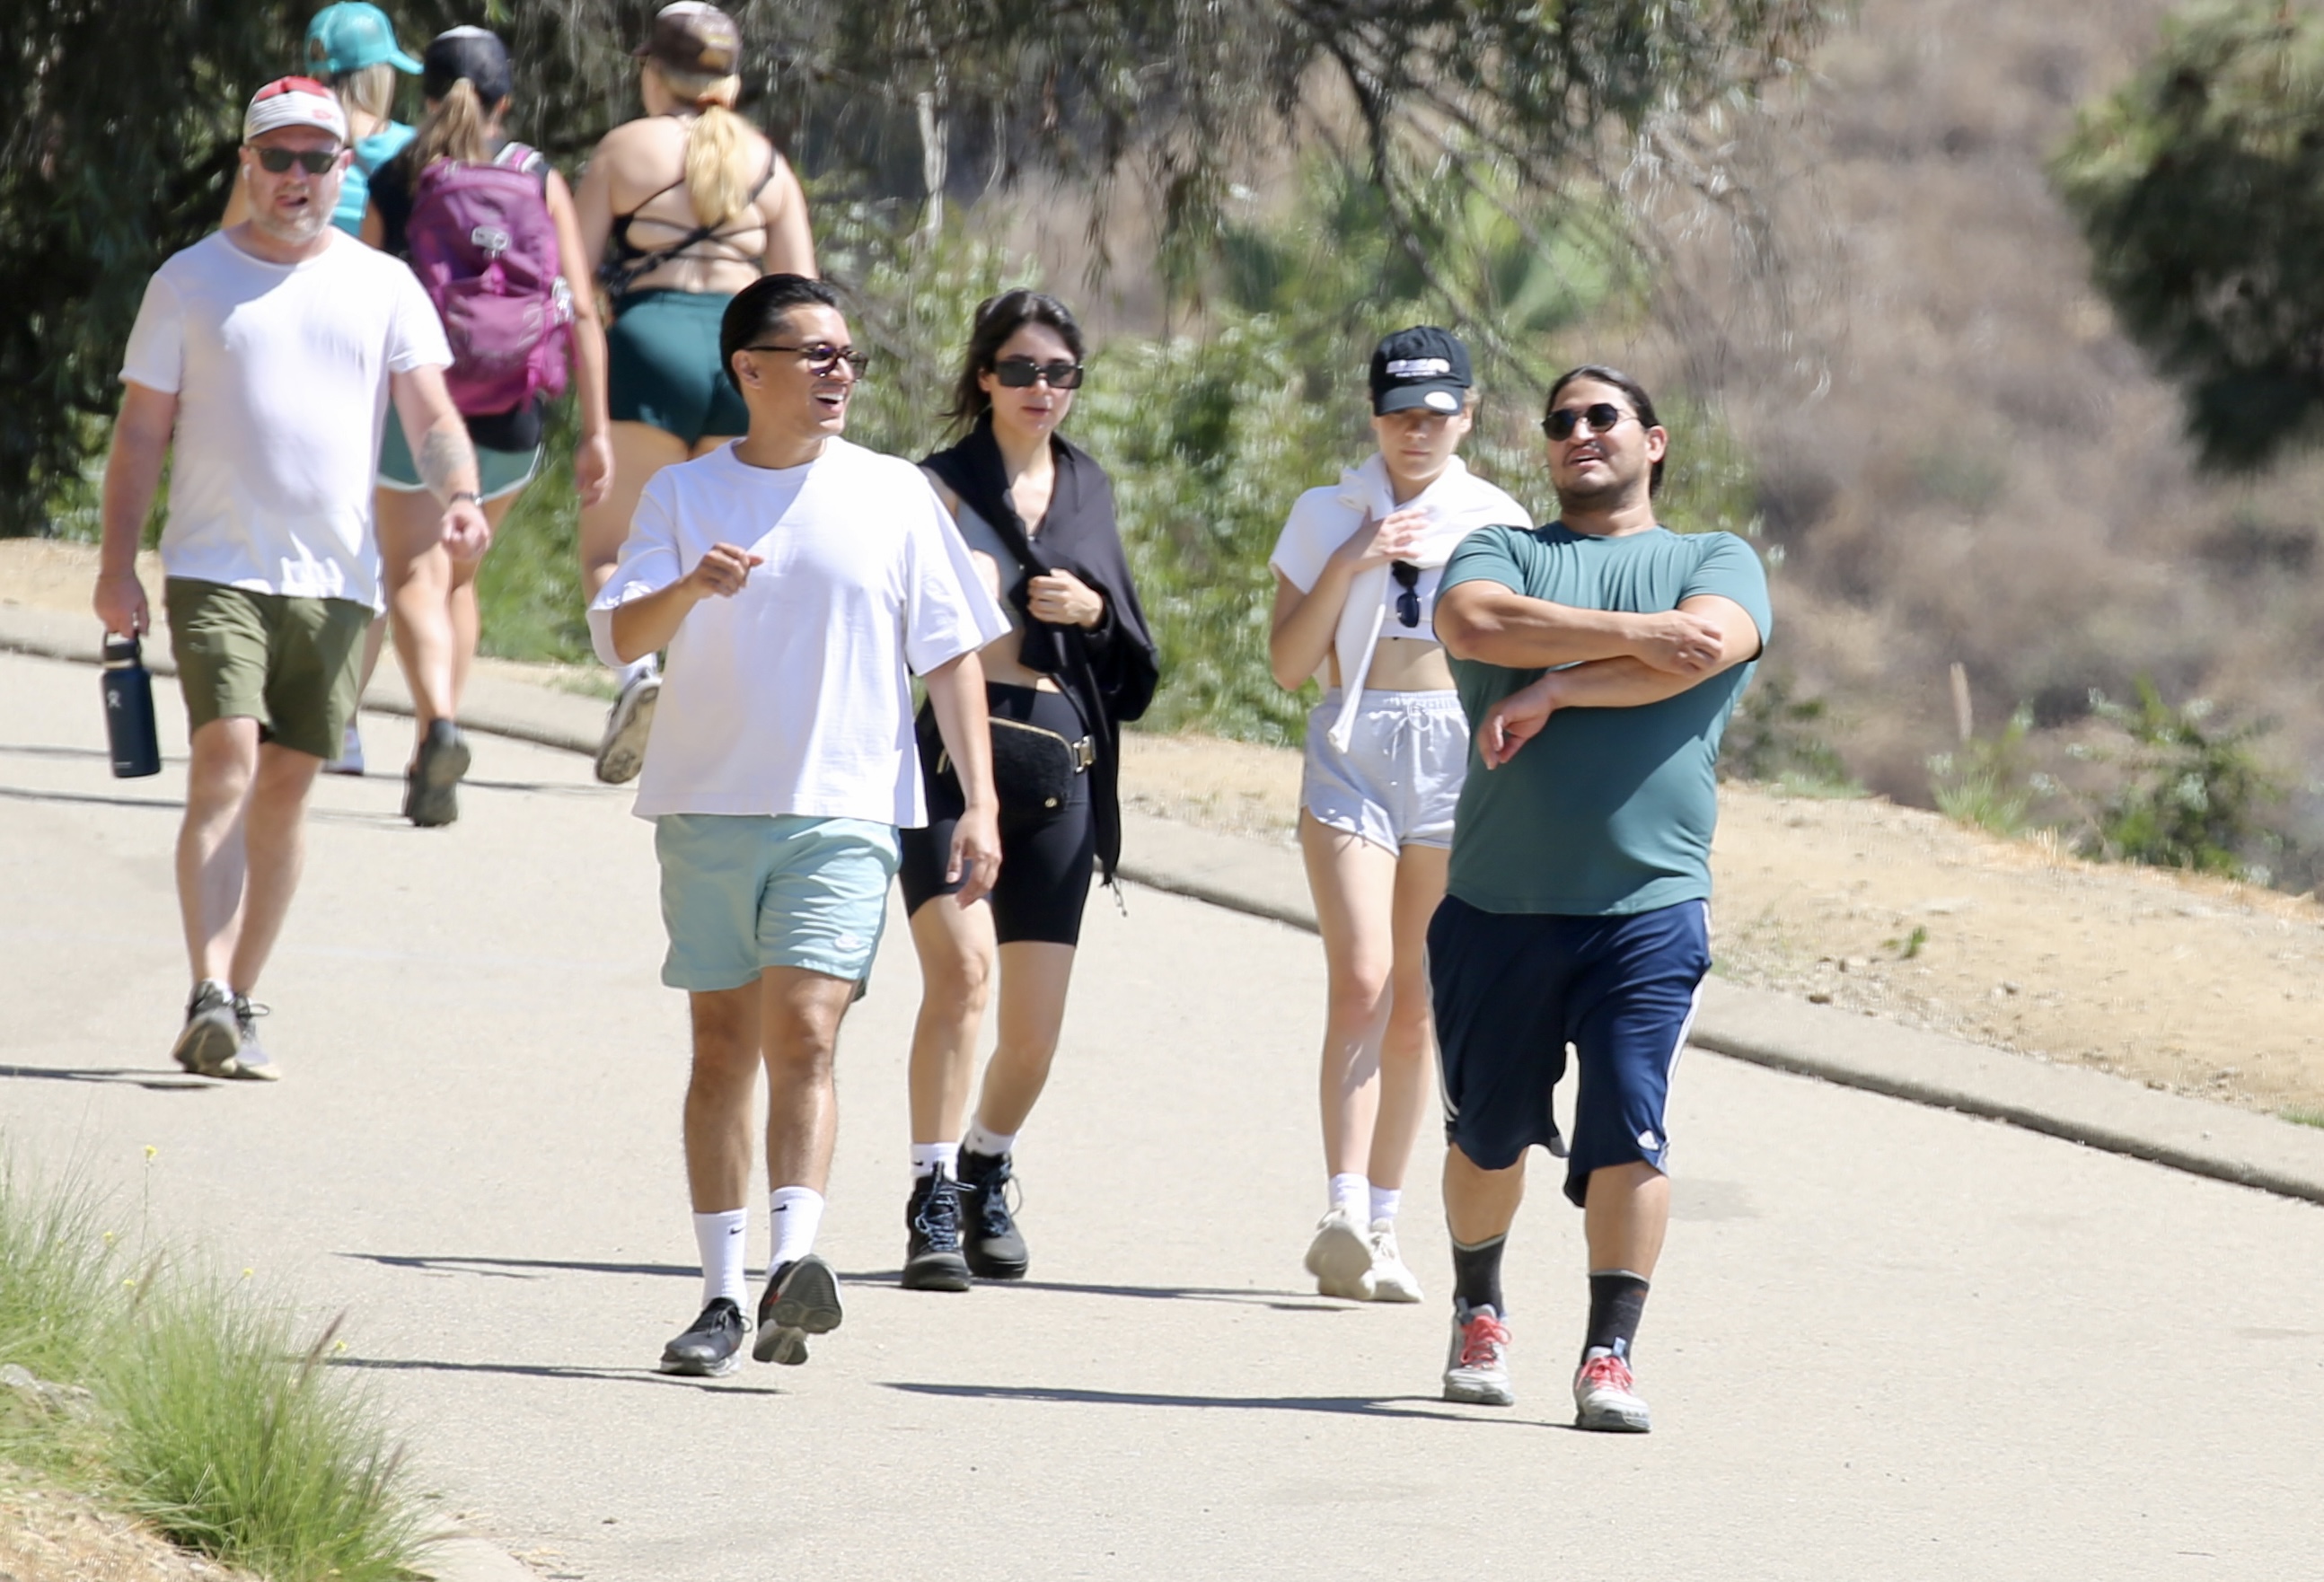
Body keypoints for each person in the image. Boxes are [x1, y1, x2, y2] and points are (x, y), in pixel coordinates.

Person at [587, 275, 1008, 1375]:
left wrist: (979, 799)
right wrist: (688, 587)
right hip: (708, 805)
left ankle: (794, 1264)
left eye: (848, 357)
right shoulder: (684, 496)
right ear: (750, 370)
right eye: (814, 354)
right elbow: (616, 633)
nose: (838, 374)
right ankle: (722, 1297)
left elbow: (951, 651)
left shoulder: (893, 494)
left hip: (846, 805)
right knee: (721, 1046)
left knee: (809, 1032)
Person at [94, 78, 487, 1081]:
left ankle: (240, 1000)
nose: (297, 178)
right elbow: (142, 432)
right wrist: (114, 565)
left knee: (285, 787)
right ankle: (208, 987)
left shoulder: (380, 283)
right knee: (224, 757)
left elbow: (431, 413)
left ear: (343, 172)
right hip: (214, 565)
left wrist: (460, 492)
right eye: (279, 159)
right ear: (247, 165)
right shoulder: (189, 281)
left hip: (337, 580)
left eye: (318, 160)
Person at [1429, 365, 1769, 1429]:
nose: (1579, 432)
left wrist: (1559, 682)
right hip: (1496, 903)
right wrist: (1632, 638)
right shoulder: (1505, 550)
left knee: (1630, 1128)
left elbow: (1706, 643)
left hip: (1649, 906)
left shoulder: (1712, 558)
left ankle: (1607, 1354)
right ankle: (1477, 1306)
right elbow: (1475, 622)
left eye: (1601, 417)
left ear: (1652, 440)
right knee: (1486, 1138)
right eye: (1560, 421)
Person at [896, 291, 1159, 1290]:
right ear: (983, 379)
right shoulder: (933, 488)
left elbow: (1132, 659)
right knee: (959, 979)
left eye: (1057, 373)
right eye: (1019, 370)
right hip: (948, 763)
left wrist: (1090, 611)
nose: (1039, 389)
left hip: (1059, 766)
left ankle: (984, 1162)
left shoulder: (1088, 487)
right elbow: (890, 623)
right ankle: (926, 1195)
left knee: (1033, 1033)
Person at [1266, 328, 1532, 1303]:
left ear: (1465, 415)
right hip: (1351, 742)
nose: (1415, 431)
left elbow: (1516, 646)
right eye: (1397, 412)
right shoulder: (1323, 510)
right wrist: (1351, 557)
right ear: (1372, 415)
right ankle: (1337, 1208)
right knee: (1361, 976)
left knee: (1418, 1005)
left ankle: (1382, 1226)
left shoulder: (1496, 518)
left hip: (1454, 753)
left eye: (1435, 413)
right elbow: (1289, 664)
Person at [363, 26, 614, 825]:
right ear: (506, 100)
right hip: (512, 412)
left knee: (410, 572)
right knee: (459, 575)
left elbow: (365, 302)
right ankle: (437, 743)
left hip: (417, 406)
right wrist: (596, 430)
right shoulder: (537, 177)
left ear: (425, 96)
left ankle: (438, 721)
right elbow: (580, 310)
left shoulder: (400, 176)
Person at [576, 0, 816, 787]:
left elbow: (570, 277)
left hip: (649, 345)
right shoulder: (769, 163)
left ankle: (636, 678)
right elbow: (800, 294)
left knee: (616, 546)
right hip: (741, 360)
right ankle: (724, 718)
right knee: (726, 548)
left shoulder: (626, 149)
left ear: (653, 72)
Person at [219, 2, 425, 775]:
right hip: (370, 345)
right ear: (376, 73)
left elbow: (229, 242)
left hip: (274, 334)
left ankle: (271, 693)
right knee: (361, 536)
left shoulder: (274, 150)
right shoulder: (408, 149)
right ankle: (336, 717)